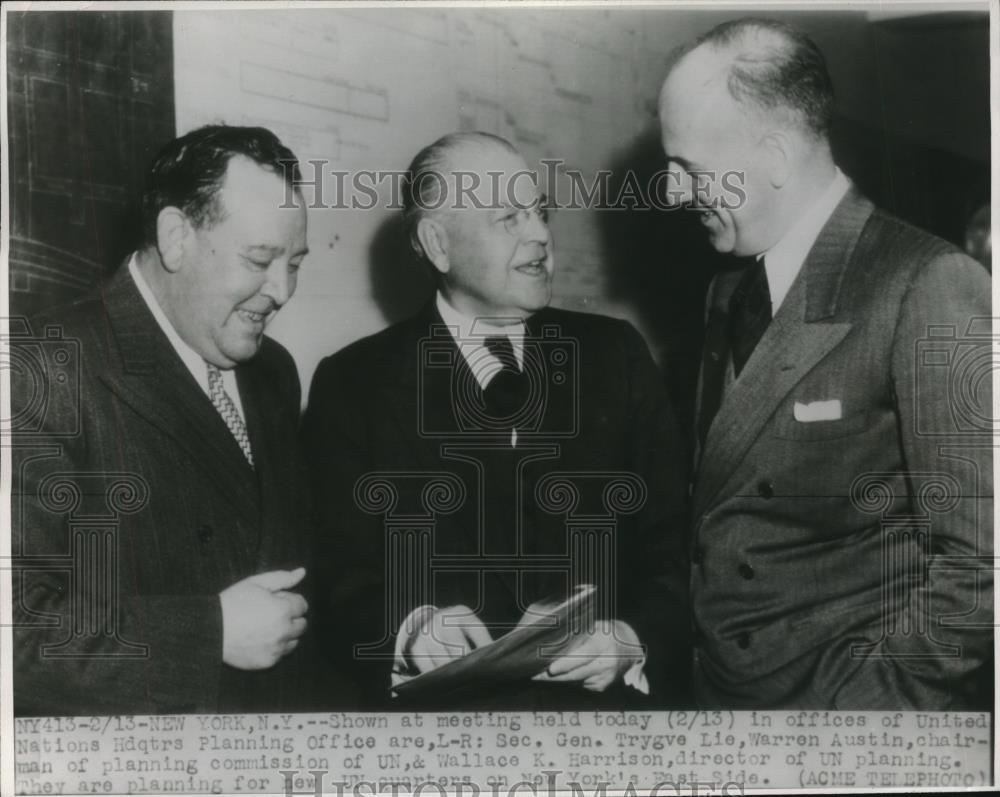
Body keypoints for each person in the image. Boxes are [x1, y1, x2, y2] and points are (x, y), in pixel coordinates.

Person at [658, 18, 992, 709]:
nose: (671, 192)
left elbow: (983, 560)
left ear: (776, 157)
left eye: (688, 168)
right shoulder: (726, 291)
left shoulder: (929, 282)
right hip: (720, 703)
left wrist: (863, 710)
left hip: (840, 719)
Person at [302, 132, 690, 708]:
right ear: (438, 245)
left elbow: (676, 547)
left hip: (604, 727)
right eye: (508, 217)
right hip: (446, 736)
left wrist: (631, 638)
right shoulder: (352, 383)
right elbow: (336, 575)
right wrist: (410, 630)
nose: (540, 235)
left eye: (540, 213)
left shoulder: (617, 355)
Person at [11, 125, 330, 715]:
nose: (282, 290)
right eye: (260, 259)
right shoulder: (40, 367)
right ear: (176, 237)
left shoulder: (275, 371)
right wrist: (209, 635)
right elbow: (16, 634)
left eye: (295, 263)